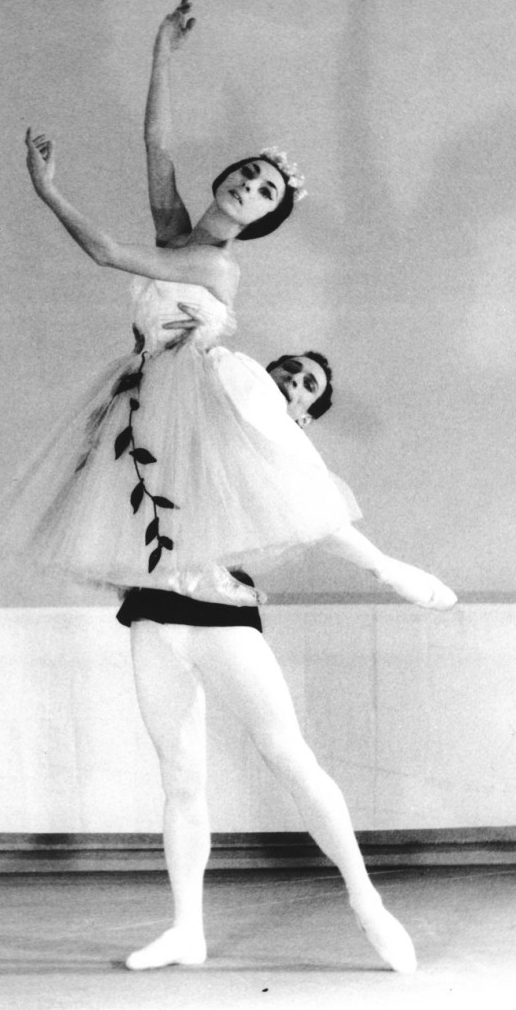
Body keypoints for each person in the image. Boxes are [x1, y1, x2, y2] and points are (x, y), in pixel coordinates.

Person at [1, 0, 361, 605]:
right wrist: (161, 53)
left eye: (265, 191)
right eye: (247, 174)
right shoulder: (179, 233)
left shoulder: (212, 263)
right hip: (144, 380)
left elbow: (108, 252)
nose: (249, 184)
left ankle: (205, 584)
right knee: (148, 506)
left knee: (183, 500)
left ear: (264, 219)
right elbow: (157, 147)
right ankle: (173, 595)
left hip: (187, 386)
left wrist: (48, 192)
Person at [116, 350, 456, 974]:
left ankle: (368, 904)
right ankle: (186, 930)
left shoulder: (281, 453)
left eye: (308, 386)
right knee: (180, 778)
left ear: (305, 413)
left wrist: (389, 569)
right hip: (152, 610)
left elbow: (322, 523)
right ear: (261, 376)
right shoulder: (198, 417)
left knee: (289, 756)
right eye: (289, 371)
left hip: (220, 611)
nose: (294, 383)